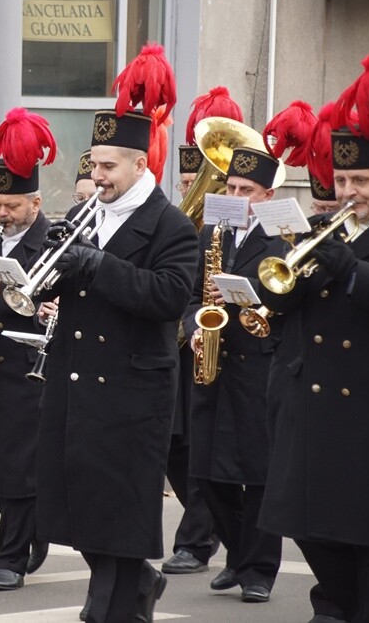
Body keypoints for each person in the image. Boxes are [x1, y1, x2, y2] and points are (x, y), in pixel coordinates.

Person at [33, 42, 199, 623]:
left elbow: (168, 297)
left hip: (131, 390)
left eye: (108, 167)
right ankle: (135, 587)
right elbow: (74, 290)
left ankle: (114, 605)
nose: (96, 176)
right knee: (76, 510)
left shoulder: (170, 225)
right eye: (93, 164)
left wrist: (95, 266)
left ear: (138, 165)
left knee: (118, 515)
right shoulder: (89, 215)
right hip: (76, 384)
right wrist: (46, 275)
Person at [258, 56, 369, 621]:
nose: (350, 192)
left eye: (362, 181)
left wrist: (350, 268)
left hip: (365, 411)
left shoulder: (350, 245)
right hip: (311, 408)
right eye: (344, 181)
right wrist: (287, 273)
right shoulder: (331, 229)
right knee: (312, 530)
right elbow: (282, 302)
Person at [182, 147, 285, 604]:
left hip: (260, 366)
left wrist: (255, 308)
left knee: (258, 474)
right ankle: (239, 555)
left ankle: (259, 569)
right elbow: (188, 297)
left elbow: (291, 299)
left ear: (269, 195)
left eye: (247, 190)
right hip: (213, 364)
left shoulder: (285, 238)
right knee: (207, 472)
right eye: (231, 188)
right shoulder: (212, 234)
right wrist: (192, 331)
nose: (236, 196)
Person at [0, 108, 53, 592]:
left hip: (23, 371)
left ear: (35, 202)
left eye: (12, 206)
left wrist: (7, 291)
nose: (3, 214)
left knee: (17, 469)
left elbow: (55, 304)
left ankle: (12, 558)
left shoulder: (50, 243)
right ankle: (33, 528)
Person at [161, 143, 221, 579]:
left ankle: (197, 539)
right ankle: (217, 524)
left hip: (212, 348)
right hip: (177, 345)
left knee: (201, 445)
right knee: (174, 447)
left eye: (195, 185)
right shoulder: (177, 228)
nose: (190, 195)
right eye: (183, 185)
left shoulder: (220, 232)